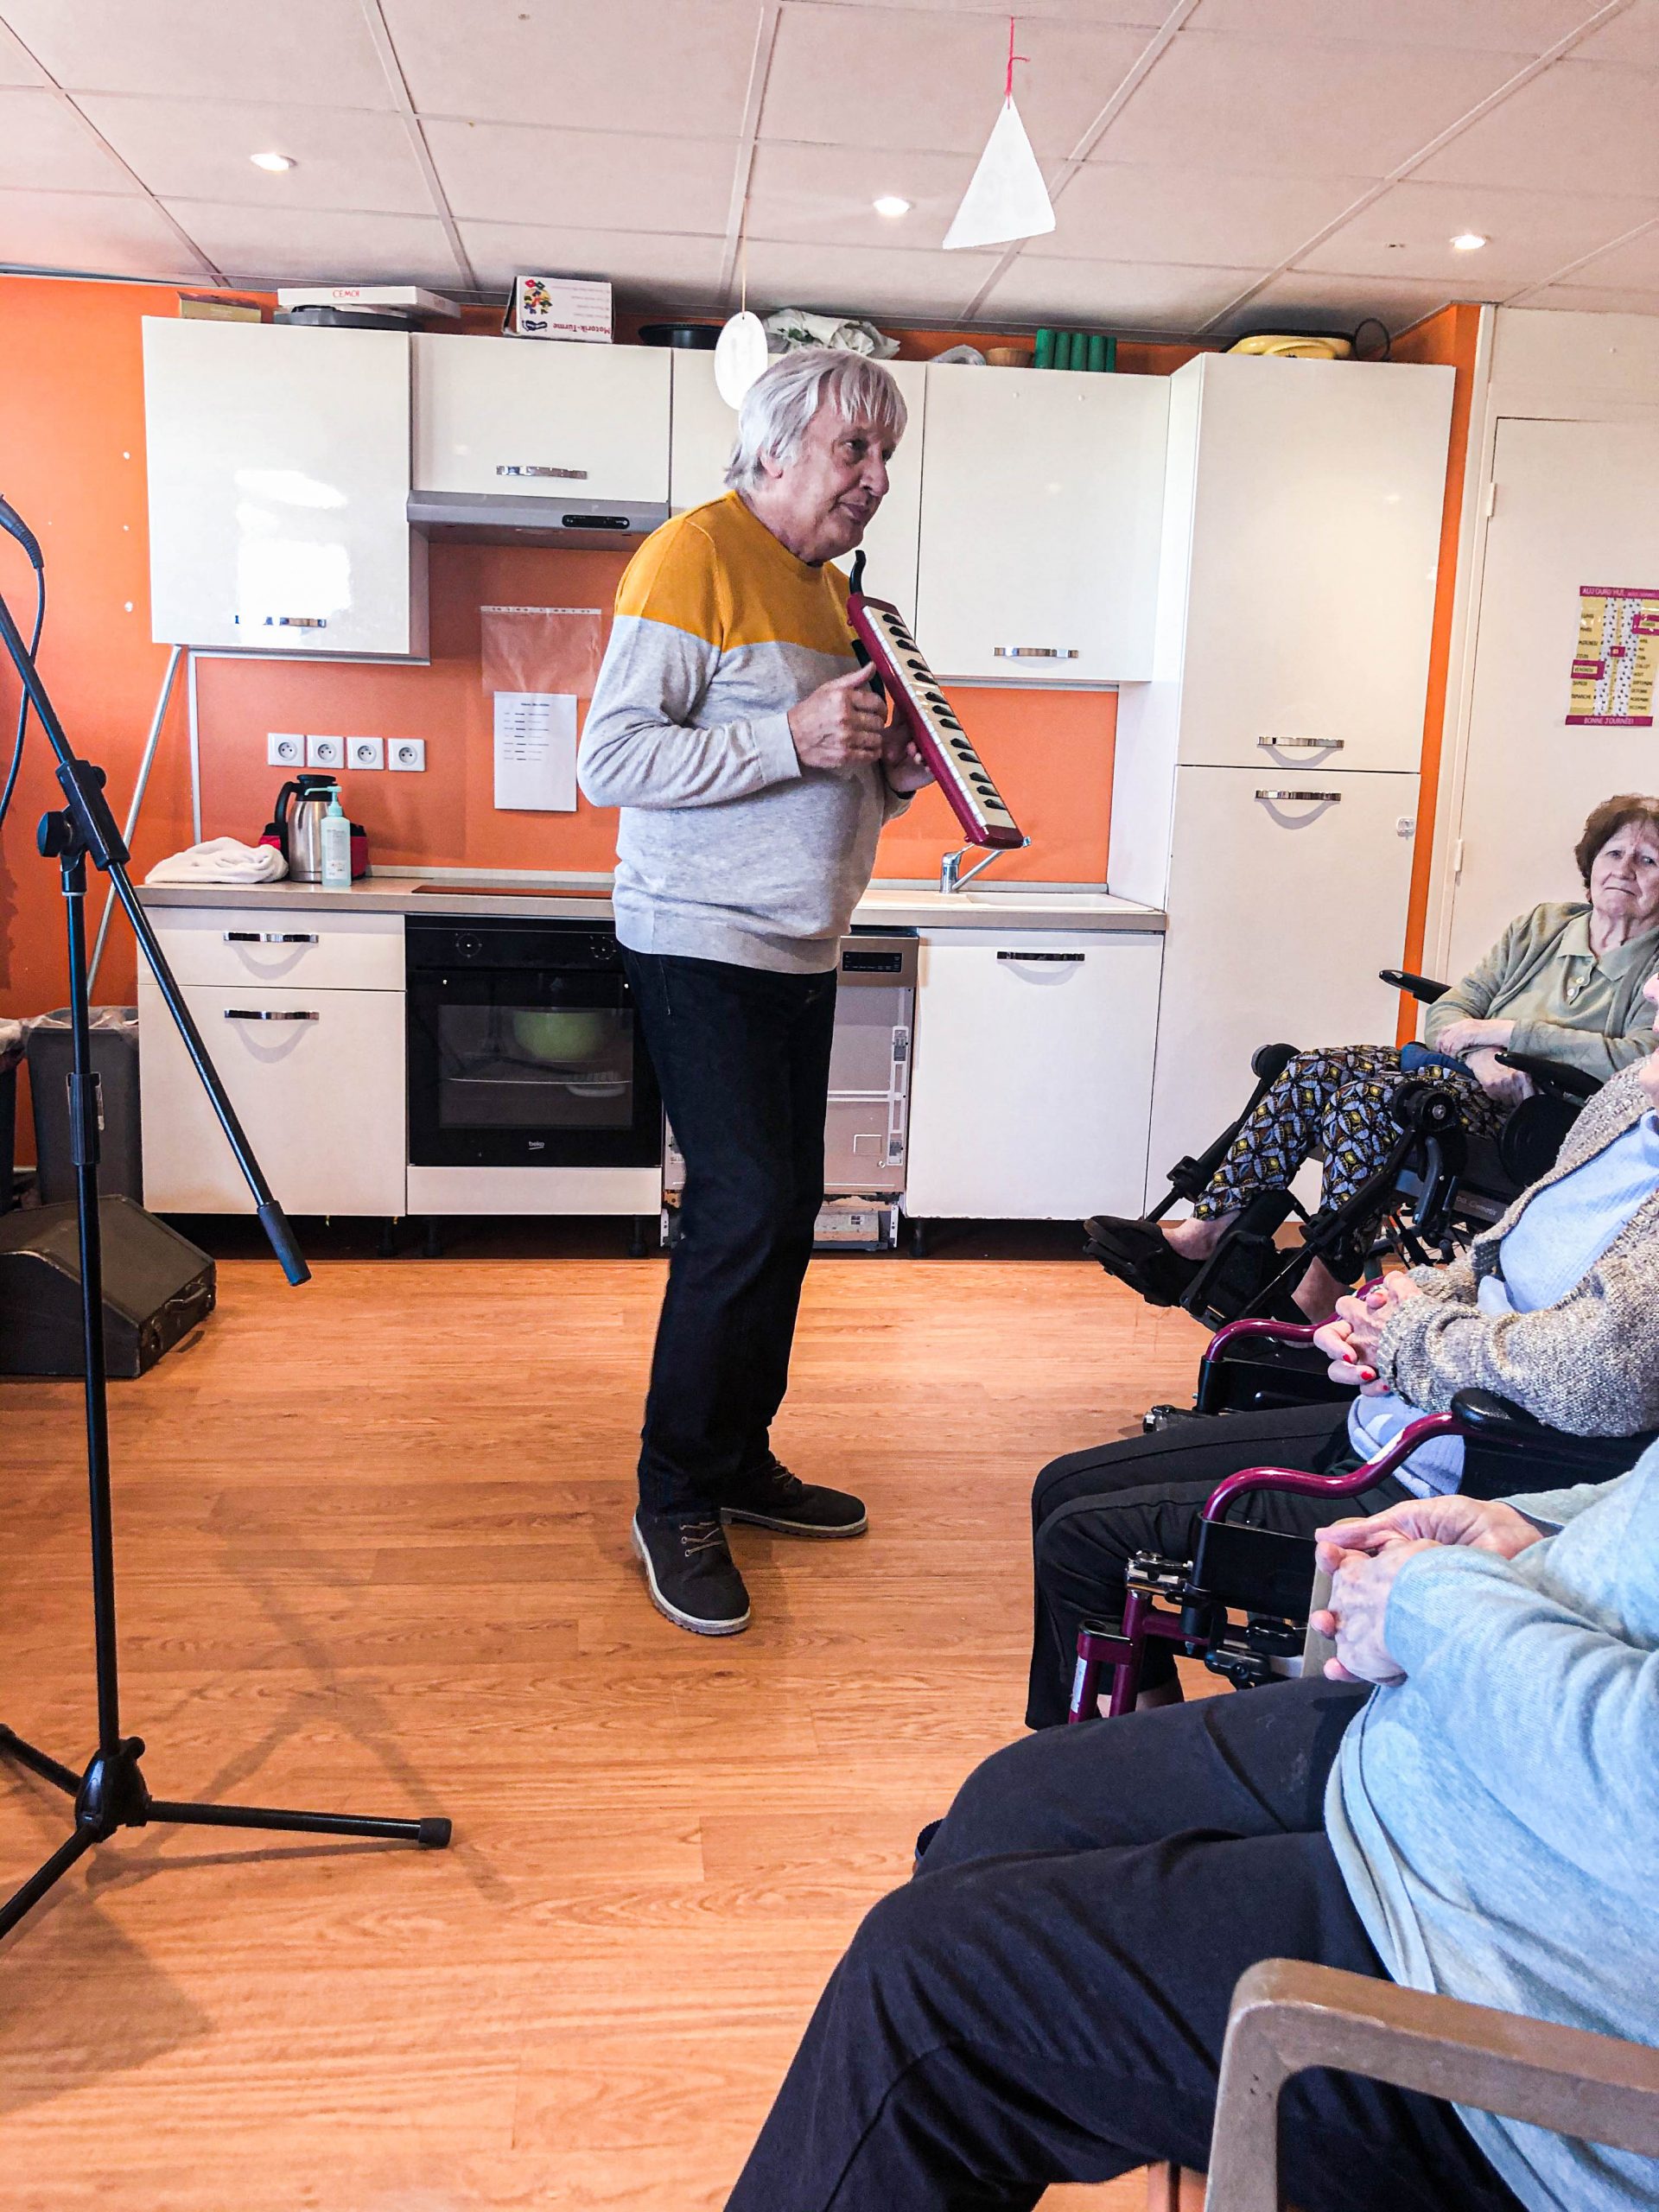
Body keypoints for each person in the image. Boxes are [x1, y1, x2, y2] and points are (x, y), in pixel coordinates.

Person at [725, 1445, 1659, 2212]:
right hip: (1457, 1769)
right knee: (1012, 1801)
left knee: (924, 1988)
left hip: (1535, 1995)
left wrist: (1428, 1601)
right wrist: (1532, 1529)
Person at [1024, 984, 1659, 1727]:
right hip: (1400, 1411)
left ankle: (1106, 1767)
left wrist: (1410, 1338)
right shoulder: (1632, 1102)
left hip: (1461, 1467)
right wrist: (1398, 1298)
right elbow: (1496, 1255)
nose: (1650, 985)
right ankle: (1225, 1232)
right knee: (1060, 1488)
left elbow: (1608, 1379)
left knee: (1081, 1535)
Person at [578, 348, 931, 1638]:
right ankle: (671, 1485)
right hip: (697, 934)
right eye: (857, 451)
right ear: (777, 446)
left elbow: (845, 768)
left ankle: (736, 1458)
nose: (878, 479)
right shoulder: (694, 554)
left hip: (799, 942)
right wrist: (792, 736)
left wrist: (889, 761)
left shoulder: (836, 593)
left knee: (789, 1210)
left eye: (887, 456)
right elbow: (611, 756)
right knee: (740, 1211)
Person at [1089, 793, 1659, 1321]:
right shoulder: (1542, 926)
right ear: (1591, 864)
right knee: (1307, 1071)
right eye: (1615, 853)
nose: (1625, 869)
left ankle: (1319, 1293)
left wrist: (1511, 1033)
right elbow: (1455, 1006)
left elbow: (1636, 1058)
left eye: (1648, 860)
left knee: (1375, 1101)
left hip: (1543, 1117)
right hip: (1463, 1077)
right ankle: (1204, 1237)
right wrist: (1483, 1052)